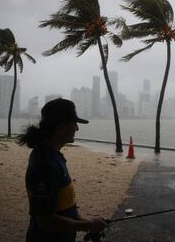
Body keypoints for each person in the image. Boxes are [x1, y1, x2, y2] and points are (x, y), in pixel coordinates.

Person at [18, 98, 107, 242]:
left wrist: (90, 224)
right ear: (61, 128)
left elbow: (66, 208)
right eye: (74, 124)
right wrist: (88, 225)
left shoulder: (52, 155)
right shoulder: (44, 165)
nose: (77, 128)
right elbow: (46, 221)